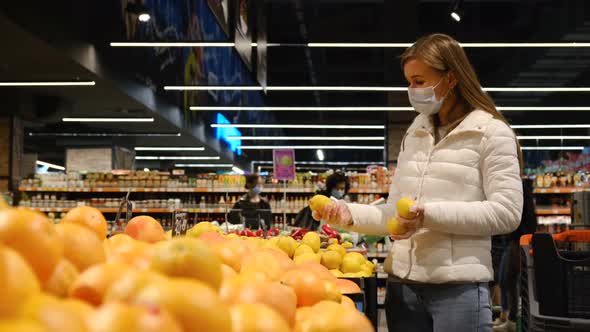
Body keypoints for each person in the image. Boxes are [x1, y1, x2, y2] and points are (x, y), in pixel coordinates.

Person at [313, 33, 523, 332]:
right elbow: (394, 214)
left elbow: (507, 212)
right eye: (410, 81)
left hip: (458, 290)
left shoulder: (491, 133)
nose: (412, 90)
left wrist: (427, 214)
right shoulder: (416, 133)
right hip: (404, 288)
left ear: (451, 79)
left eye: (420, 81)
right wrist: (349, 214)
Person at [494, 178, 537, 332]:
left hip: (520, 239)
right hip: (514, 238)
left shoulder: (519, 187)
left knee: (509, 278)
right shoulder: (519, 186)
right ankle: (508, 317)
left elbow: (523, 215)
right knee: (505, 279)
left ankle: (512, 320)